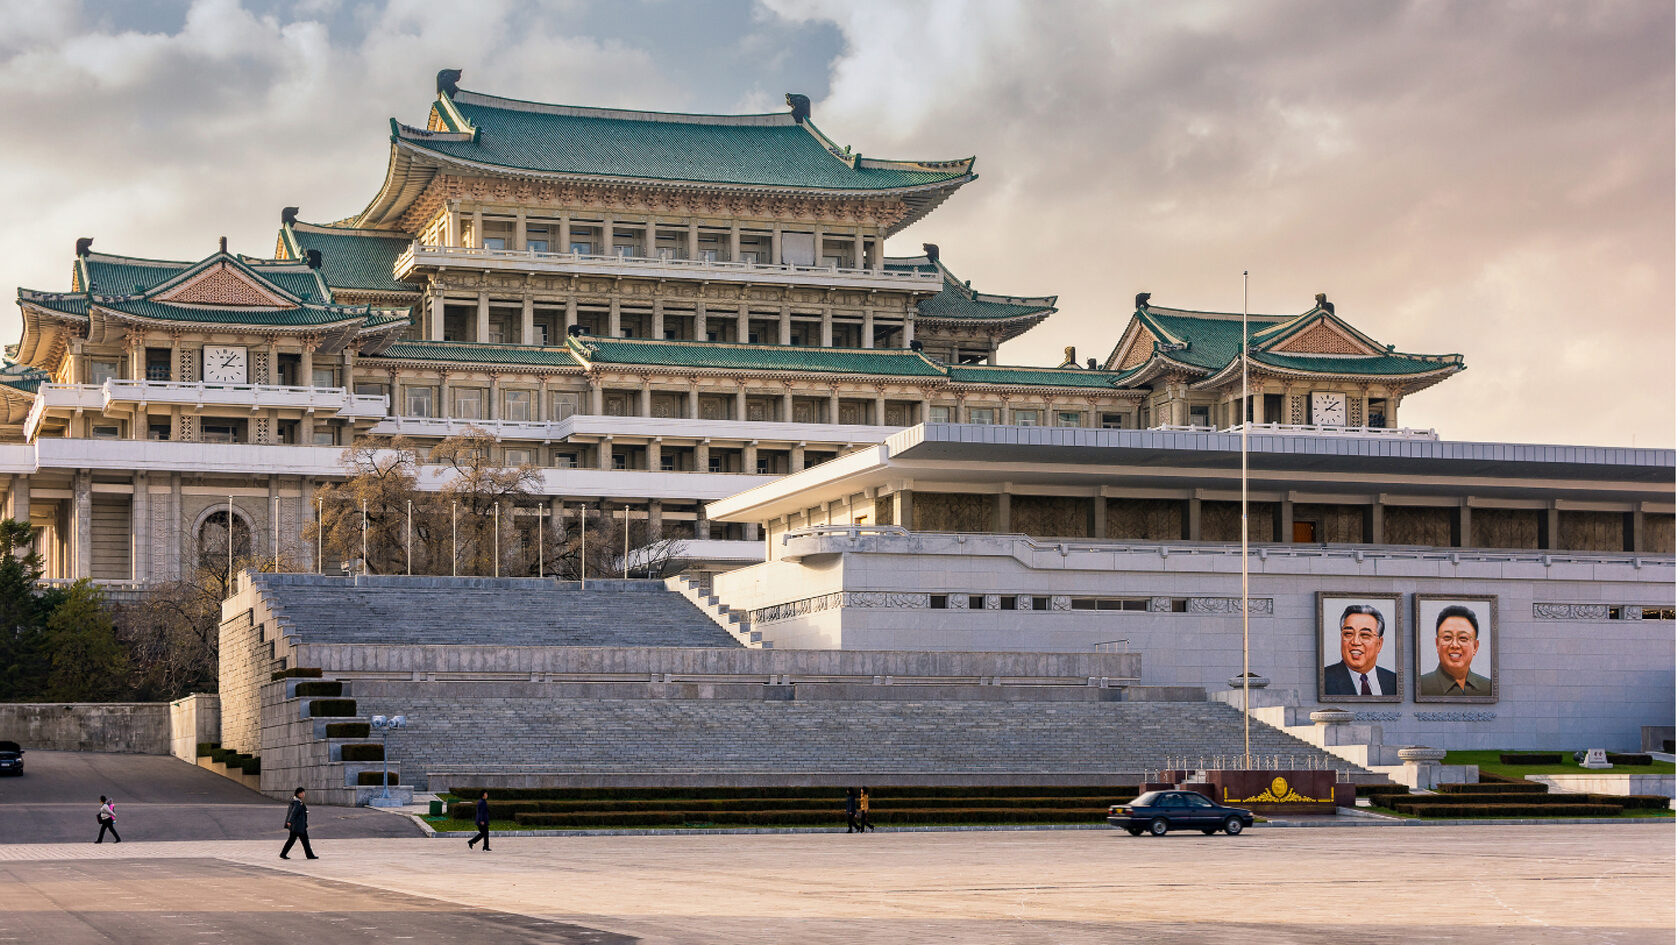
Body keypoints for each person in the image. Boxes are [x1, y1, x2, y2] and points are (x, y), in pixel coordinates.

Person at [1322, 604, 1398, 696]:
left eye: (1365, 635)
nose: (1355, 642)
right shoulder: (1322, 679)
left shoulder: (1394, 682)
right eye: (1348, 634)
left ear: (1379, 644)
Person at [1418, 605, 1493, 696]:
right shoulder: (1421, 686)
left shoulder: (1489, 688)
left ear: (1475, 647)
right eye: (1447, 637)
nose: (1455, 645)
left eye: (1463, 638)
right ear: (1437, 644)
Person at [280, 787, 318, 860]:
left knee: (293, 840)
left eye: (304, 792)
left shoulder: (295, 801)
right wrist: (289, 821)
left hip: (297, 825)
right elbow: (293, 813)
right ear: (298, 794)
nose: (304, 794)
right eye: (302, 793)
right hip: (298, 826)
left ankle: (283, 854)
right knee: (304, 841)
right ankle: (309, 855)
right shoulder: (297, 803)